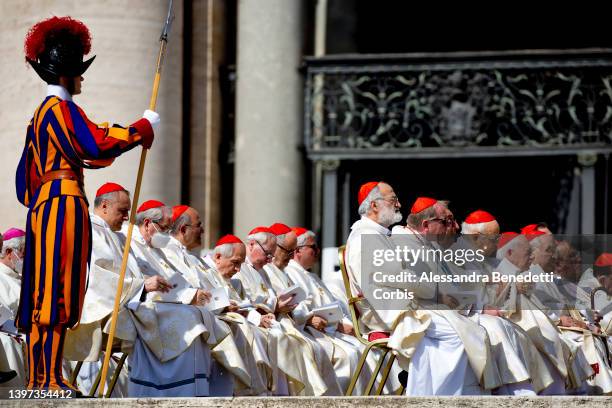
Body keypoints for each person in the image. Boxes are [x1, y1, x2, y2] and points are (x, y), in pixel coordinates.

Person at [16, 16, 158, 390]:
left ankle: (46, 375)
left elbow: (24, 181)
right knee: (54, 291)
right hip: (61, 205)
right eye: (78, 72)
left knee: (58, 291)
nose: (82, 79)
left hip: (53, 203)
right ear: (65, 74)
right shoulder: (59, 110)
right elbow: (94, 143)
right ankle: (43, 379)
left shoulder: (42, 116)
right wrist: (139, 129)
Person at [63, 183, 171, 396]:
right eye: (122, 211)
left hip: (124, 301)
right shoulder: (88, 230)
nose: (126, 217)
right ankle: (156, 391)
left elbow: (130, 274)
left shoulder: (119, 236)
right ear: (104, 206)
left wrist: (146, 282)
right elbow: (95, 277)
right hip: (99, 308)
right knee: (170, 321)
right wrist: (142, 286)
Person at [0, 228, 27, 389]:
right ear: (9, 252)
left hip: (23, 330)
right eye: (23, 253)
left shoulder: (23, 278)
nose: (26, 258)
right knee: (9, 344)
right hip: (10, 331)